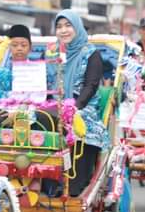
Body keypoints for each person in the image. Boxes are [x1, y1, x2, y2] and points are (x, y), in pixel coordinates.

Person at [46, 10, 109, 197]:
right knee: (37, 120)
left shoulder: (91, 54)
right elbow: (46, 81)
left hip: (83, 106)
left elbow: (91, 85)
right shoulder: (52, 52)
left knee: (77, 124)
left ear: (77, 28)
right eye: (59, 26)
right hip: (54, 104)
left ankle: (76, 182)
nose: (63, 30)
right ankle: (45, 182)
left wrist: (74, 107)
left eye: (68, 25)